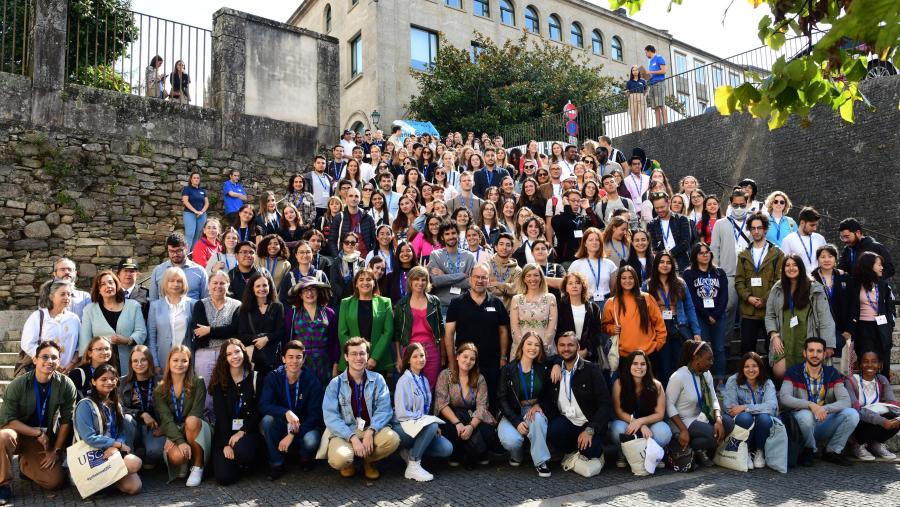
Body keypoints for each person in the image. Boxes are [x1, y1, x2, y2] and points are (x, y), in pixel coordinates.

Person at [0, 341, 76, 502]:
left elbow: (66, 420)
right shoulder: (17, 385)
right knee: (3, 436)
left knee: (55, 481)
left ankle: (25, 466)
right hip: (18, 434)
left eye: (54, 358)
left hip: (41, 441)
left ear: (59, 362)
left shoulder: (65, 384)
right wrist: (37, 432)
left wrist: (56, 450)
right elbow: (8, 420)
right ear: (35, 360)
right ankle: (3, 485)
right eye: (45, 357)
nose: (49, 361)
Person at [322, 337, 401, 480]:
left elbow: (384, 409)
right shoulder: (335, 384)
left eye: (362, 353)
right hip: (344, 431)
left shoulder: (378, 380)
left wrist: (371, 431)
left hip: (370, 428)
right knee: (339, 459)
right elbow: (331, 417)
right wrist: (352, 437)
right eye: (353, 354)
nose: (358, 358)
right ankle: (348, 462)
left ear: (367, 356)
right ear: (346, 357)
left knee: (392, 439)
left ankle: (368, 462)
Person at [778, 337, 859, 467]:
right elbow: (784, 397)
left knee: (852, 414)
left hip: (824, 420)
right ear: (804, 353)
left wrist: (824, 409)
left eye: (819, 351)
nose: (815, 355)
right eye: (811, 350)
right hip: (802, 423)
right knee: (806, 416)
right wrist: (811, 405)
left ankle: (832, 451)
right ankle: (809, 450)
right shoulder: (793, 371)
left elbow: (845, 401)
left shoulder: (832, 373)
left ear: (824, 354)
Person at [445, 264, 511, 410]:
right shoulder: (457, 303)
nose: (480, 280)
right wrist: (451, 361)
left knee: (491, 402)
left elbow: (503, 332)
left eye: (483, 277)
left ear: (488, 280)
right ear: (469, 279)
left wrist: (503, 358)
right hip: (466, 364)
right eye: (476, 277)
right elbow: (449, 333)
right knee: (467, 403)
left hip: (492, 363)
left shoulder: (496, 303)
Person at [73, 364, 143, 496]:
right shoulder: (85, 405)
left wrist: (116, 447)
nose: (109, 382)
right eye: (103, 379)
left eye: (112, 379)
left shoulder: (115, 403)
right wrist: (115, 444)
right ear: (93, 382)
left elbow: (121, 432)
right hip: (93, 455)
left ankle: (105, 483)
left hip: (112, 453)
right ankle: (96, 481)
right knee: (134, 462)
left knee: (135, 487)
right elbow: (89, 437)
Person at [258, 340, 324, 479]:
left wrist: (293, 434)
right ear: (283, 359)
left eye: (298, 357)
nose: (294, 361)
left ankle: (305, 457)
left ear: (304, 359)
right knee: (267, 421)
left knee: (311, 440)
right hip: (282, 424)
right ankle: (277, 464)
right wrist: (285, 412)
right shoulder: (273, 377)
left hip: (305, 426)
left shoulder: (312, 381)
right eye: (290, 357)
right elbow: (264, 405)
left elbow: (315, 416)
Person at [545, 332, 611, 464]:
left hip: (589, 423)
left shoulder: (592, 370)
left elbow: (605, 404)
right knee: (553, 430)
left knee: (590, 452)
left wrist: (590, 429)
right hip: (568, 421)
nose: (566, 349)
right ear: (557, 348)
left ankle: (592, 451)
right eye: (562, 345)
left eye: (570, 345)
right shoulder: (553, 371)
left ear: (578, 346)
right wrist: (538, 406)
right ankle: (572, 450)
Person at [766, 254, 835, 379]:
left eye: (794, 265)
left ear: (801, 267)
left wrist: (828, 344)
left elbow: (825, 318)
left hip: (808, 336)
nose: (791, 268)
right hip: (784, 337)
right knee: (780, 372)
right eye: (787, 265)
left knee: (807, 373)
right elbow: (769, 315)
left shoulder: (814, 288)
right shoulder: (777, 288)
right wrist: (774, 335)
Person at [391, 343, 454, 481]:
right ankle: (413, 464)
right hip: (402, 427)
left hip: (418, 426)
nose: (420, 359)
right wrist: (427, 421)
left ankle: (410, 451)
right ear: (408, 360)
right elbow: (401, 413)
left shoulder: (424, 380)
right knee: (431, 425)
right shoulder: (403, 381)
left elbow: (425, 409)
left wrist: (428, 422)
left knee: (446, 449)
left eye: (422, 355)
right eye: (415, 356)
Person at [666, 341, 734, 467]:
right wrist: (683, 430)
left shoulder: (706, 374)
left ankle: (701, 450)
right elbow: (669, 406)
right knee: (711, 435)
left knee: (728, 423)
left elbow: (714, 398)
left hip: (700, 417)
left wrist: (718, 419)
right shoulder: (678, 376)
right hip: (682, 421)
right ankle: (688, 447)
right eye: (709, 359)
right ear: (696, 358)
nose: (712, 362)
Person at [208, 339, 264, 485]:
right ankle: (239, 465)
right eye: (229, 354)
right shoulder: (219, 382)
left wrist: (242, 431)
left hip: (248, 431)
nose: (234, 356)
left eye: (237, 351)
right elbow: (221, 416)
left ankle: (246, 461)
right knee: (224, 478)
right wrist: (226, 443)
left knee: (242, 451)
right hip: (225, 435)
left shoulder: (255, 377)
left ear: (244, 352)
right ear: (224, 358)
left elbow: (259, 410)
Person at [154, 346, 213, 485]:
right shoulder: (159, 389)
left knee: (192, 421)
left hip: (197, 428)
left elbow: (196, 413)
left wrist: (176, 437)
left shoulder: (198, 381)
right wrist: (179, 441)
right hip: (174, 430)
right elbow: (166, 419)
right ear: (168, 362)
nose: (179, 364)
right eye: (175, 360)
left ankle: (198, 466)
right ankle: (186, 460)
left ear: (189, 363)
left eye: (184, 361)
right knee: (176, 457)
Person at [434, 343, 498, 468]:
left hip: (472, 416)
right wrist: (458, 424)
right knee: (449, 429)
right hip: (452, 416)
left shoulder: (480, 379)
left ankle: (472, 452)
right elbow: (441, 403)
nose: (468, 361)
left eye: (472, 359)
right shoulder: (445, 375)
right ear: (457, 356)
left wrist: (471, 427)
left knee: (488, 431)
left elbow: (482, 406)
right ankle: (460, 453)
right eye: (465, 356)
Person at [191, 270, 242, 415]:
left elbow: (235, 330)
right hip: (204, 354)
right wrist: (223, 331)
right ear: (208, 285)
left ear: (228, 285)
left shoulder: (237, 305)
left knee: (227, 388)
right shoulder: (200, 305)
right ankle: (208, 424)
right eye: (215, 283)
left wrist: (210, 330)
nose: (218, 286)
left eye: (222, 283)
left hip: (227, 354)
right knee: (206, 391)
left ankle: (225, 422)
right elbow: (198, 332)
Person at [610, 350, 672, 467]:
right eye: (635, 363)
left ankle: (652, 454)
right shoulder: (619, 383)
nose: (639, 367)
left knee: (664, 432)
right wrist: (637, 423)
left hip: (650, 425)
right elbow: (618, 411)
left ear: (647, 366)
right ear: (629, 365)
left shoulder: (657, 385)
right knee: (616, 428)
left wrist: (641, 422)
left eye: (643, 364)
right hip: (627, 423)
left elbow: (660, 414)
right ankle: (624, 453)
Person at [646, 253, 702, 382]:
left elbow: (689, 307)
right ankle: (667, 397)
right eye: (662, 262)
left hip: (679, 325)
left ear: (672, 265)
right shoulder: (648, 285)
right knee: (665, 366)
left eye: (668, 262)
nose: (665, 265)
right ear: (656, 265)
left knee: (682, 365)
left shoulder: (680, 283)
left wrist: (696, 331)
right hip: (659, 328)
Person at [735, 212, 785, 357]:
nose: (756, 231)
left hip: (769, 311)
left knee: (774, 351)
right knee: (747, 350)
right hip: (748, 311)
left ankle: (771, 379)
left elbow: (779, 281)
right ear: (750, 230)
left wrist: (764, 300)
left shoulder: (777, 254)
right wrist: (748, 298)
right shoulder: (743, 255)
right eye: (753, 228)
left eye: (759, 228)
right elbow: (739, 280)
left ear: (765, 229)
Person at [80, 270, 148, 374]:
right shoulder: (89, 310)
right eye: (103, 284)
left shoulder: (133, 306)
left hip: (129, 362)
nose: (108, 286)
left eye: (111, 282)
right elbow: (85, 340)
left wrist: (127, 340)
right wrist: (87, 366)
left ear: (117, 285)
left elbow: (141, 331)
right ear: (98, 289)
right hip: (100, 364)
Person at [682, 243, 730, 385]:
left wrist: (715, 315)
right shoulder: (689, 273)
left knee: (719, 348)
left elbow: (724, 296)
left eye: (707, 252)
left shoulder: (719, 272)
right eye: (701, 253)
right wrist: (706, 315)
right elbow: (691, 298)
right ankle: (702, 379)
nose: (705, 255)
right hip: (699, 316)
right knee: (701, 348)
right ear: (695, 256)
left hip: (718, 316)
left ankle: (720, 379)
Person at [723, 352, 779, 469]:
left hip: (761, 424)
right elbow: (730, 408)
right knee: (745, 417)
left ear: (760, 367)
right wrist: (755, 410)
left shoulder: (767, 383)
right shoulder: (733, 380)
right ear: (742, 368)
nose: (751, 370)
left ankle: (759, 451)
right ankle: (746, 451)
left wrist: (745, 408)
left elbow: (772, 406)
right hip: (743, 423)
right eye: (746, 366)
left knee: (764, 418)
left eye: (754, 366)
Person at [392, 266, 444, 390]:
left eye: (423, 279)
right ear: (410, 281)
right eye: (417, 279)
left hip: (431, 349)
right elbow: (397, 333)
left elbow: (441, 330)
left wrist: (443, 355)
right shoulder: (402, 304)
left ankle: (428, 410)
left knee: (431, 386)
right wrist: (399, 357)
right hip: (410, 349)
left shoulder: (434, 301)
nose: (420, 283)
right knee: (412, 387)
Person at [337, 268, 394, 380]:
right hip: (353, 362)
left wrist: (374, 358)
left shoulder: (385, 302)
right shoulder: (346, 303)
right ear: (356, 284)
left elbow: (388, 332)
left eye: (369, 279)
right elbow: (342, 332)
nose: (365, 283)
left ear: (374, 283)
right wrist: (355, 356)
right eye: (361, 279)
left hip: (378, 362)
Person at [603, 266, 667, 363]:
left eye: (631, 277)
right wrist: (612, 328)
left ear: (635, 279)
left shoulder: (647, 298)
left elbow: (659, 324)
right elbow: (604, 326)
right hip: (624, 356)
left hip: (649, 354)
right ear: (619, 280)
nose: (627, 281)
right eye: (624, 278)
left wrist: (657, 345)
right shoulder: (611, 302)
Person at [710, 189, 752, 338]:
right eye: (736, 205)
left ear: (747, 203)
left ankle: (746, 345)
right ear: (730, 204)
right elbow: (714, 249)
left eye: (742, 205)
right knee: (728, 308)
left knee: (749, 310)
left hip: (750, 275)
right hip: (728, 273)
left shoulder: (754, 223)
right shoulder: (720, 224)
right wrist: (717, 272)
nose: (739, 208)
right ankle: (726, 342)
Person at [846, 251, 895, 377]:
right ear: (869, 265)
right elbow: (849, 306)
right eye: (879, 264)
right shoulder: (854, 284)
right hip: (862, 328)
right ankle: (865, 389)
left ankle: (883, 388)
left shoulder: (883, 284)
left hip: (881, 327)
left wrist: (890, 324)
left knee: (883, 360)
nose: (882, 267)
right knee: (865, 359)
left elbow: (890, 306)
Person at [844, 351, 899, 461]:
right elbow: (856, 408)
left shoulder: (882, 380)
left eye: (874, 362)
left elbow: (892, 403)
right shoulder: (851, 381)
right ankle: (857, 445)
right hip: (859, 422)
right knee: (859, 416)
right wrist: (882, 421)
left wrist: (897, 418)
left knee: (894, 415)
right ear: (859, 364)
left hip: (875, 419)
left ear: (879, 365)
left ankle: (876, 444)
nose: (869, 365)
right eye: (865, 362)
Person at [284, 277, 337, 387]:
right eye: (305, 290)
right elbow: (287, 340)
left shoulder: (329, 313)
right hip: (301, 363)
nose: (309, 293)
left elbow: (335, 341)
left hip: (325, 362)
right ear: (300, 294)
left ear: (318, 291)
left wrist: (335, 365)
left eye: (313, 289)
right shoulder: (292, 314)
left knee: (324, 396)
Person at [20, 279, 80, 374]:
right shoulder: (38, 316)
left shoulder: (74, 319)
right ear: (51, 296)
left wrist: (72, 363)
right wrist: (50, 361)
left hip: (67, 371)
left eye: (69, 294)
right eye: (62, 294)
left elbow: (78, 347)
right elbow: (27, 344)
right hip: (42, 371)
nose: (67, 297)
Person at [119, 345, 166, 467]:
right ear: (130, 363)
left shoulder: (160, 381)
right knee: (126, 419)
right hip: (132, 427)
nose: (139, 364)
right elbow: (119, 408)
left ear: (149, 361)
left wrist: (165, 427)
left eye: (143, 360)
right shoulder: (122, 382)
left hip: (154, 427)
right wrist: (141, 414)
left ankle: (145, 454)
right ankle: (130, 459)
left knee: (155, 452)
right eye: (135, 361)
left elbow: (169, 408)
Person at [147, 267, 195, 371]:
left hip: (186, 360)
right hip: (162, 360)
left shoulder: (193, 304)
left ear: (184, 284)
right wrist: (155, 363)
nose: (175, 284)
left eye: (179, 281)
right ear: (165, 283)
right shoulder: (155, 306)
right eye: (171, 281)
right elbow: (151, 337)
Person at [812, 244, 852, 368]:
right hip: (818, 329)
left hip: (842, 329)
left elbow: (853, 304)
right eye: (822, 257)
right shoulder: (811, 279)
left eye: (830, 256)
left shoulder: (844, 277)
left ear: (835, 259)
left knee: (840, 368)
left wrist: (849, 330)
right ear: (817, 259)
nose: (826, 260)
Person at [238, 272, 285, 376]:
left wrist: (266, 339)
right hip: (253, 359)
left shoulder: (277, 306)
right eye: (258, 286)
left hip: (273, 358)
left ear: (270, 286)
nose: (262, 289)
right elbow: (241, 335)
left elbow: (281, 332)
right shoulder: (245, 309)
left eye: (265, 285)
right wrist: (257, 339)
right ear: (252, 288)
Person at [509, 264, 558, 360]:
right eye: (528, 275)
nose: (532, 278)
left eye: (536, 275)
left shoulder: (550, 298)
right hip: (521, 350)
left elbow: (552, 327)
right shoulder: (516, 299)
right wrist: (525, 349)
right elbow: (514, 328)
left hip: (545, 350)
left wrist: (541, 349)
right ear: (523, 279)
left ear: (541, 277)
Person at [428, 222, 476, 316]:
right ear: (442, 237)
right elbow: (436, 281)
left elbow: (471, 282)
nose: (451, 236)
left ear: (458, 234)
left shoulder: (469, 256)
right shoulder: (435, 255)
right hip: (443, 305)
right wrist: (462, 275)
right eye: (447, 234)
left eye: (453, 233)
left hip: (465, 304)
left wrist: (444, 276)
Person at [555, 272, 604, 365]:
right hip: (565, 356)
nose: (574, 286)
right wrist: (570, 350)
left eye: (577, 282)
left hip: (588, 357)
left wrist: (586, 350)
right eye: (570, 283)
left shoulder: (593, 308)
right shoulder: (560, 308)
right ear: (566, 288)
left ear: (583, 286)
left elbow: (596, 334)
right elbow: (558, 332)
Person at [148, 233, 209, 301]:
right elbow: (153, 301)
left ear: (186, 248)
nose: (175, 254)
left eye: (179, 251)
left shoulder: (200, 271)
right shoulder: (158, 271)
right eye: (171, 251)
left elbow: (206, 300)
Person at [568, 227, 618, 304]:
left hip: (606, 302)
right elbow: (569, 286)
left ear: (600, 243)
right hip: (585, 303)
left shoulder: (609, 264)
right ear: (585, 243)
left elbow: (613, 289)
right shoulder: (576, 265)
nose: (594, 242)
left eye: (597, 240)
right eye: (590, 240)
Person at [647, 192, 693, 273]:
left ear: (668, 203)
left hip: (681, 263)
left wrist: (668, 254)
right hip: (662, 265)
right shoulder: (652, 224)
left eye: (662, 207)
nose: (660, 210)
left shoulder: (682, 219)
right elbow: (654, 247)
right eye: (657, 208)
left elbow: (685, 243)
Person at [329, 187, 376, 258]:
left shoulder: (368, 217)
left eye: (356, 196)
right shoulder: (339, 217)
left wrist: (371, 256)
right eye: (351, 196)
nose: (354, 199)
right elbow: (332, 240)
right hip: (344, 258)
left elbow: (375, 240)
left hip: (364, 258)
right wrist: (337, 257)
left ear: (360, 199)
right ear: (346, 199)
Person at [778, 207, 825, 273]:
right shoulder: (788, 240)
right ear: (802, 223)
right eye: (812, 225)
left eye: (816, 225)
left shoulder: (820, 239)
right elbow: (783, 264)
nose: (815, 229)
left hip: (819, 280)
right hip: (799, 280)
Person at [487, 233, 522, 308]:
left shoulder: (517, 270)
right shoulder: (486, 266)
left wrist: (497, 284)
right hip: (488, 310)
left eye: (508, 245)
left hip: (509, 312)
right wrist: (507, 288)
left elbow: (516, 290)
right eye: (501, 244)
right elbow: (484, 286)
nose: (504, 247)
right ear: (495, 247)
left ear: (512, 249)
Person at [181, 172, 209, 252]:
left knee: (198, 236)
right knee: (190, 234)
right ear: (191, 179)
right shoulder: (187, 189)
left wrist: (201, 212)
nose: (196, 179)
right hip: (189, 214)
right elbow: (185, 201)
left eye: (198, 178)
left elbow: (207, 203)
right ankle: (185, 256)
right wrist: (196, 211)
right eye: (194, 178)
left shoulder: (203, 191)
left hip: (202, 215)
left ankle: (194, 256)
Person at [626, 65, 648, 132]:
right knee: (633, 115)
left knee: (642, 114)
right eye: (633, 70)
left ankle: (644, 129)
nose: (635, 71)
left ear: (638, 71)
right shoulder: (629, 82)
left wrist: (644, 96)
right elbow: (627, 92)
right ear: (631, 72)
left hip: (641, 97)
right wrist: (626, 93)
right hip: (632, 98)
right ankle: (635, 131)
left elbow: (646, 90)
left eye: (636, 70)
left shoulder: (643, 81)